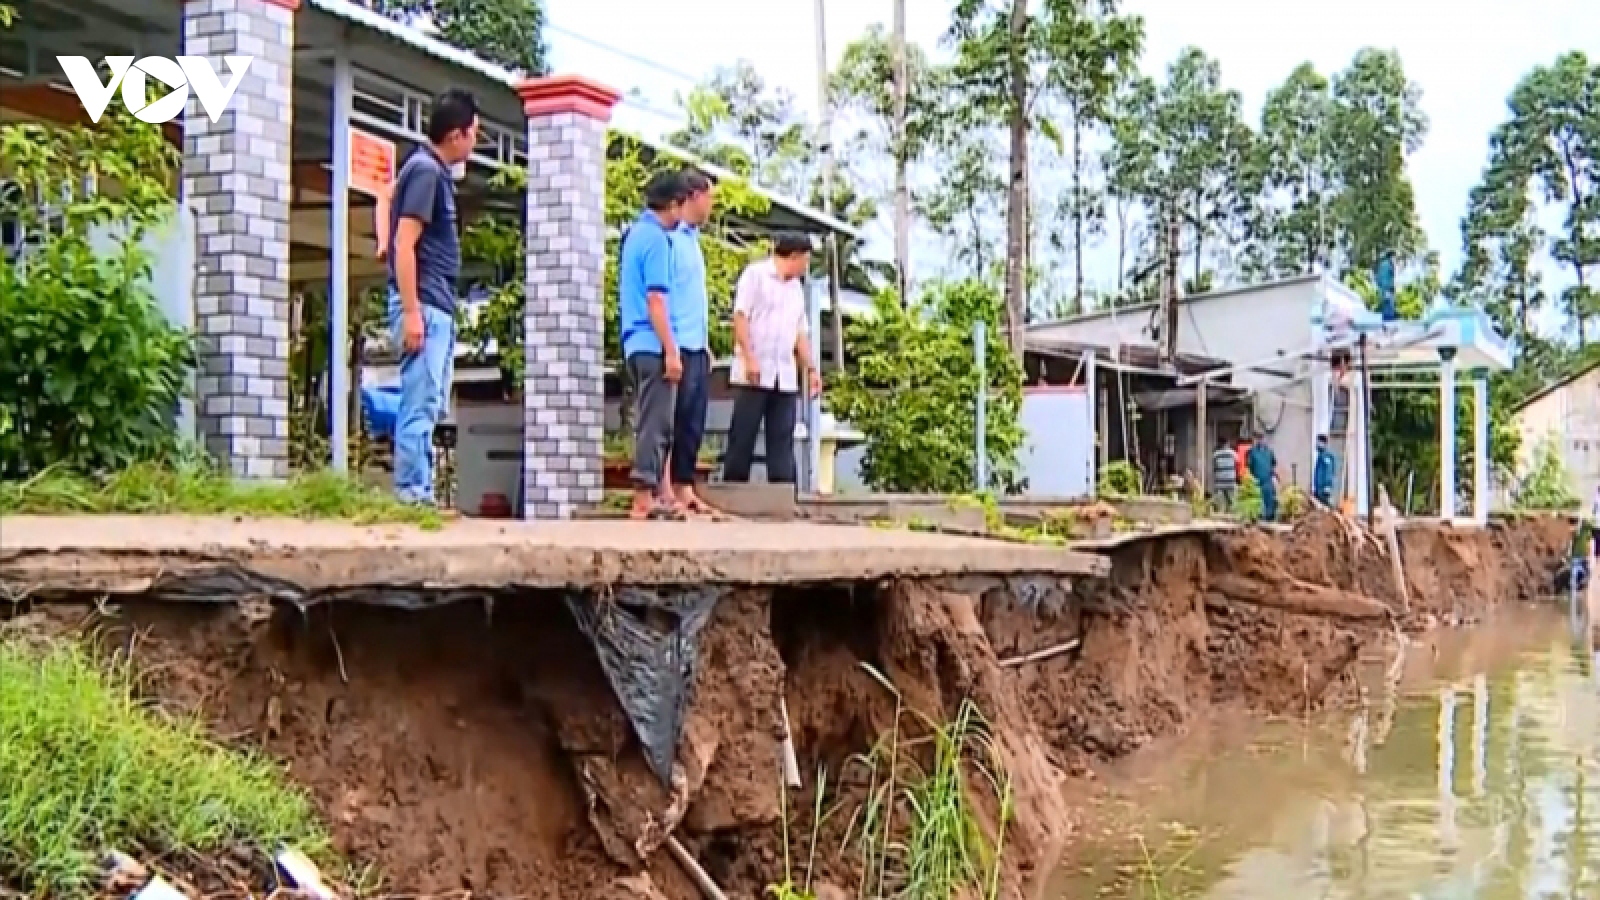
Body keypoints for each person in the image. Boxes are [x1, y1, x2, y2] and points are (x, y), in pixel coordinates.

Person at [386, 89, 478, 507]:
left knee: (431, 401)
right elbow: (405, 244)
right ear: (456, 135)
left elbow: (385, 195)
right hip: (423, 302)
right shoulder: (425, 171)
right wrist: (411, 312)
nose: (475, 142)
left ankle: (417, 492)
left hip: (435, 301)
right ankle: (411, 494)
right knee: (420, 401)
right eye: (474, 133)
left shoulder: (426, 171)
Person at [723, 233, 821, 484]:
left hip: (784, 374)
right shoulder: (755, 276)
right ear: (794, 256)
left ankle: (784, 493)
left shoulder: (796, 288)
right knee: (743, 434)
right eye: (806, 260)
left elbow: (800, 332)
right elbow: (741, 316)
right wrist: (749, 357)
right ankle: (734, 490)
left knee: (782, 439)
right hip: (754, 372)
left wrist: (810, 368)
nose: (806, 266)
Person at [619, 171, 688, 519]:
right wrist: (672, 350)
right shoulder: (658, 240)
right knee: (656, 421)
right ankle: (644, 496)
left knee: (651, 417)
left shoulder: (634, 234)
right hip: (652, 341)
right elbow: (656, 300)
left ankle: (658, 492)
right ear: (673, 205)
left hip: (634, 342)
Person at [658, 169, 718, 516]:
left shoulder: (694, 239)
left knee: (694, 419)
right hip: (676, 342)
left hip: (697, 344)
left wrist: (706, 342)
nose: (711, 205)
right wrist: (671, 347)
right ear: (694, 196)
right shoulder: (669, 238)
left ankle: (684, 485)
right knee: (672, 419)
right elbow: (664, 296)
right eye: (709, 197)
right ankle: (665, 489)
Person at [1246, 430, 1279, 522]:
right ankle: (1259, 517)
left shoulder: (1269, 452)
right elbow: (1249, 466)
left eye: (1262, 438)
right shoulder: (1252, 452)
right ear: (1256, 440)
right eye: (1259, 438)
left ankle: (1270, 516)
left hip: (1267, 480)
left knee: (1270, 498)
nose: (1261, 440)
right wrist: (1250, 479)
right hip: (1256, 480)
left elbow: (1273, 465)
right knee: (1258, 500)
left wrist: (1274, 476)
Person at [1210, 436, 1237, 514]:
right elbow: (1237, 462)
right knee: (1232, 499)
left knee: (1221, 501)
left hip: (1220, 480)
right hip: (1230, 480)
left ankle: (1221, 513)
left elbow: (1214, 466)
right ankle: (1232, 513)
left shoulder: (1215, 454)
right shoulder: (1232, 452)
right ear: (1227, 443)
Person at [1313, 434, 1337, 507]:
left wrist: (1328, 486)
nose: (1317, 444)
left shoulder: (1327, 456)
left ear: (1323, 443)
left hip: (1324, 489)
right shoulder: (1321, 455)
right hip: (1319, 489)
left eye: (1318, 442)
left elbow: (1329, 472)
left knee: (1327, 508)